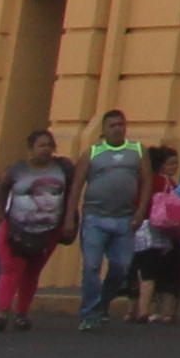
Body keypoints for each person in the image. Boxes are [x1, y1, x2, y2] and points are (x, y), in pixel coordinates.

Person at [75, 109, 150, 329]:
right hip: (94, 217)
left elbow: (146, 182)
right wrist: (71, 215)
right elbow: (77, 185)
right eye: (112, 125)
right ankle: (89, 313)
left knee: (121, 267)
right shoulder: (92, 153)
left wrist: (141, 212)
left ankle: (103, 301)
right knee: (91, 266)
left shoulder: (138, 150)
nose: (117, 129)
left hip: (124, 219)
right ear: (104, 129)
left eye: (121, 124)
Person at [0, 128, 71, 332]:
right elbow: (3, 188)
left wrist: (69, 220)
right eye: (41, 145)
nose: (46, 149)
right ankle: (2, 310)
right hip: (15, 229)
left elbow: (72, 193)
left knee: (32, 271)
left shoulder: (62, 169)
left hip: (47, 232)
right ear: (31, 149)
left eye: (49, 145)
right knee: (11, 267)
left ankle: (22, 313)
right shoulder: (17, 170)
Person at [136, 149, 180, 323]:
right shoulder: (164, 183)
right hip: (161, 230)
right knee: (166, 272)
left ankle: (143, 311)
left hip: (148, 229)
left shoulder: (150, 181)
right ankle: (166, 313)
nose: (174, 167)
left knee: (148, 272)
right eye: (171, 164)